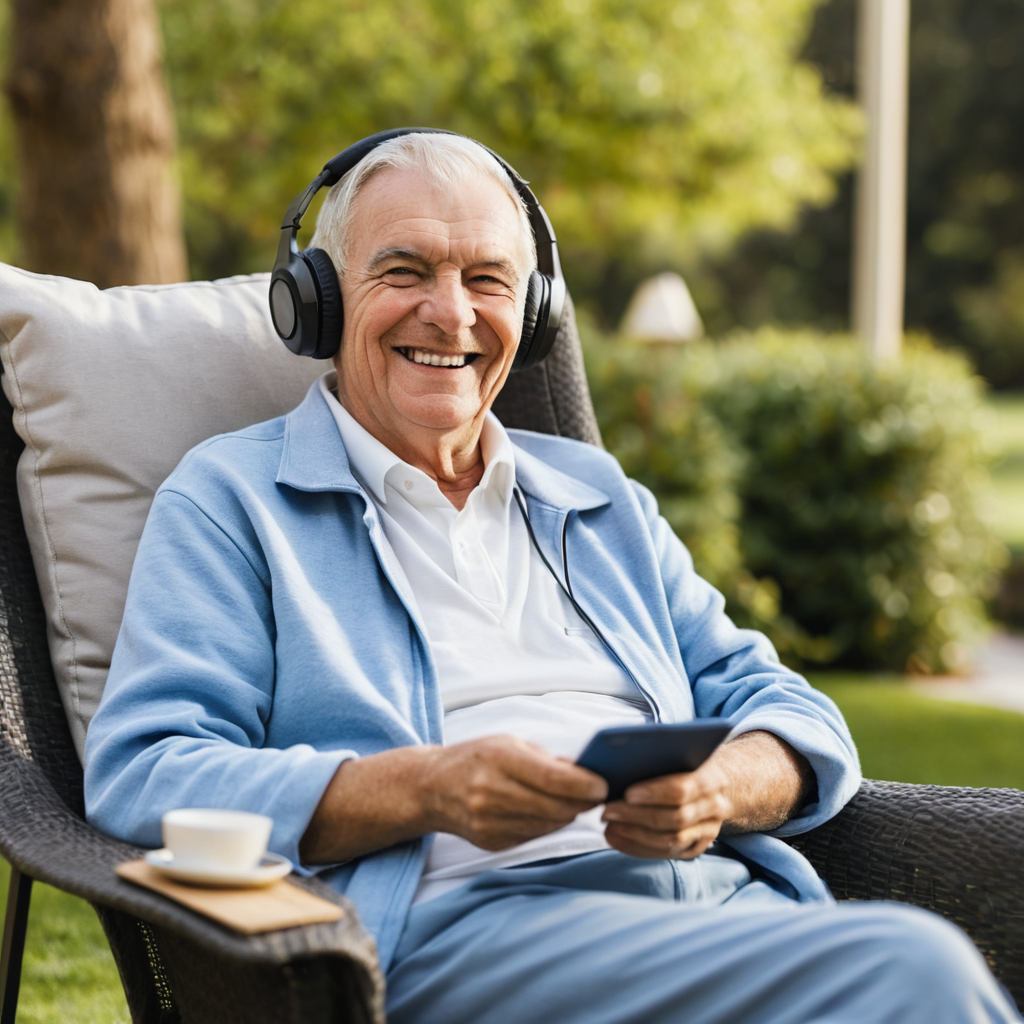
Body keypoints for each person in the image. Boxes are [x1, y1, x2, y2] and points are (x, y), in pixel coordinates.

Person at [84, 131, 1020, 1024]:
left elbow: (786, 705)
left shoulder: (595, 495)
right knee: (915, 968)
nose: (450, 313)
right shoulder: (233, 499)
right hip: (459, 928)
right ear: (319, 300)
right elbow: (147, 769)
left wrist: (721, 788)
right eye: (404, 271)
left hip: (712, 909)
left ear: (532, 315)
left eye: (487, 279)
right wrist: (424, 787)